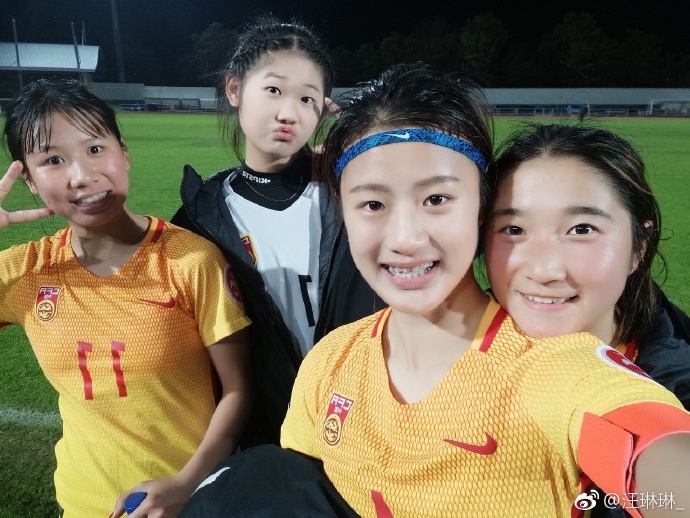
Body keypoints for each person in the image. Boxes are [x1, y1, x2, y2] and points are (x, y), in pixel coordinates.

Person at [181, 62, 690, 518]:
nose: (405, 239)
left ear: (482, 209)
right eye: (372, 205)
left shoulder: (553, 364)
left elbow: (652, 454)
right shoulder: (330, 361)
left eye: (437, 199)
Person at [0, 79, 252, 518]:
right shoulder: (26, 271)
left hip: (189, 502)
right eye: (53, 160)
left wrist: (186, 483)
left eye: (95, 149)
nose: (83, 175)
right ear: (31, 181)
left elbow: (239, 389)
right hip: (82, 503)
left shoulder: (189, 260)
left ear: (124, 152)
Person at [170, 16, 383, 447]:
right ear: (234, 89)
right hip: (265, 431)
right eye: (274, 90)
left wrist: (374, 150)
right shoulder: (201, 217)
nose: (289, 112)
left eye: (308, 99)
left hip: (363, 418)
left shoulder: (355, 192)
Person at [482, 123, 690, 516]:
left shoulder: (677, 387)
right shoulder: (433, 358)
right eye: (514, 229)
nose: (544, 270)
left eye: (582, 229)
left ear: (638, 248)